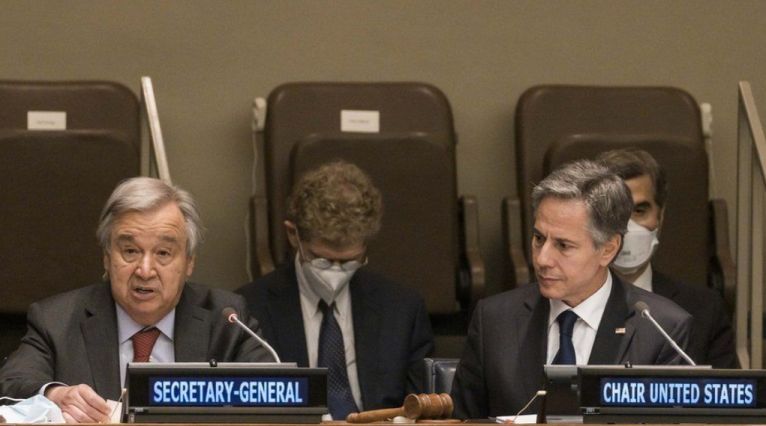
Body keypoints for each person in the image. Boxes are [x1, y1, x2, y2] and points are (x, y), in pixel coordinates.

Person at [0, 177, 273, 423]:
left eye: (163, 253)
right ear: (107, 257)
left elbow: (273, 393)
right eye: (130, 251)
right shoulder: (56, 320)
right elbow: (11, 383)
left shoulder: (226, 319)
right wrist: (55, 395)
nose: (145, 270)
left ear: (189, 263)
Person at [450, 160, 693, 419]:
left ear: (608, 249)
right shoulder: (495, 320)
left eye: (563, 245)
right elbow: (462, 421)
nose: (542, 259)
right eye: (539, 238)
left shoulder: (661, 329)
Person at [237, 161, 434, 420]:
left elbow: (421, 412)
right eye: (322, 260)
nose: (335, 274)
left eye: (350, 261)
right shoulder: (248, 310)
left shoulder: (402, 310)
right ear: (293, 235)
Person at [597, 148, 738, 368]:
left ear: (660, 217)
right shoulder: (566, 304)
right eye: (615, 212)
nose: (628, 227)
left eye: (639, 211)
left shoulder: (704, 310)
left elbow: (726, 389)